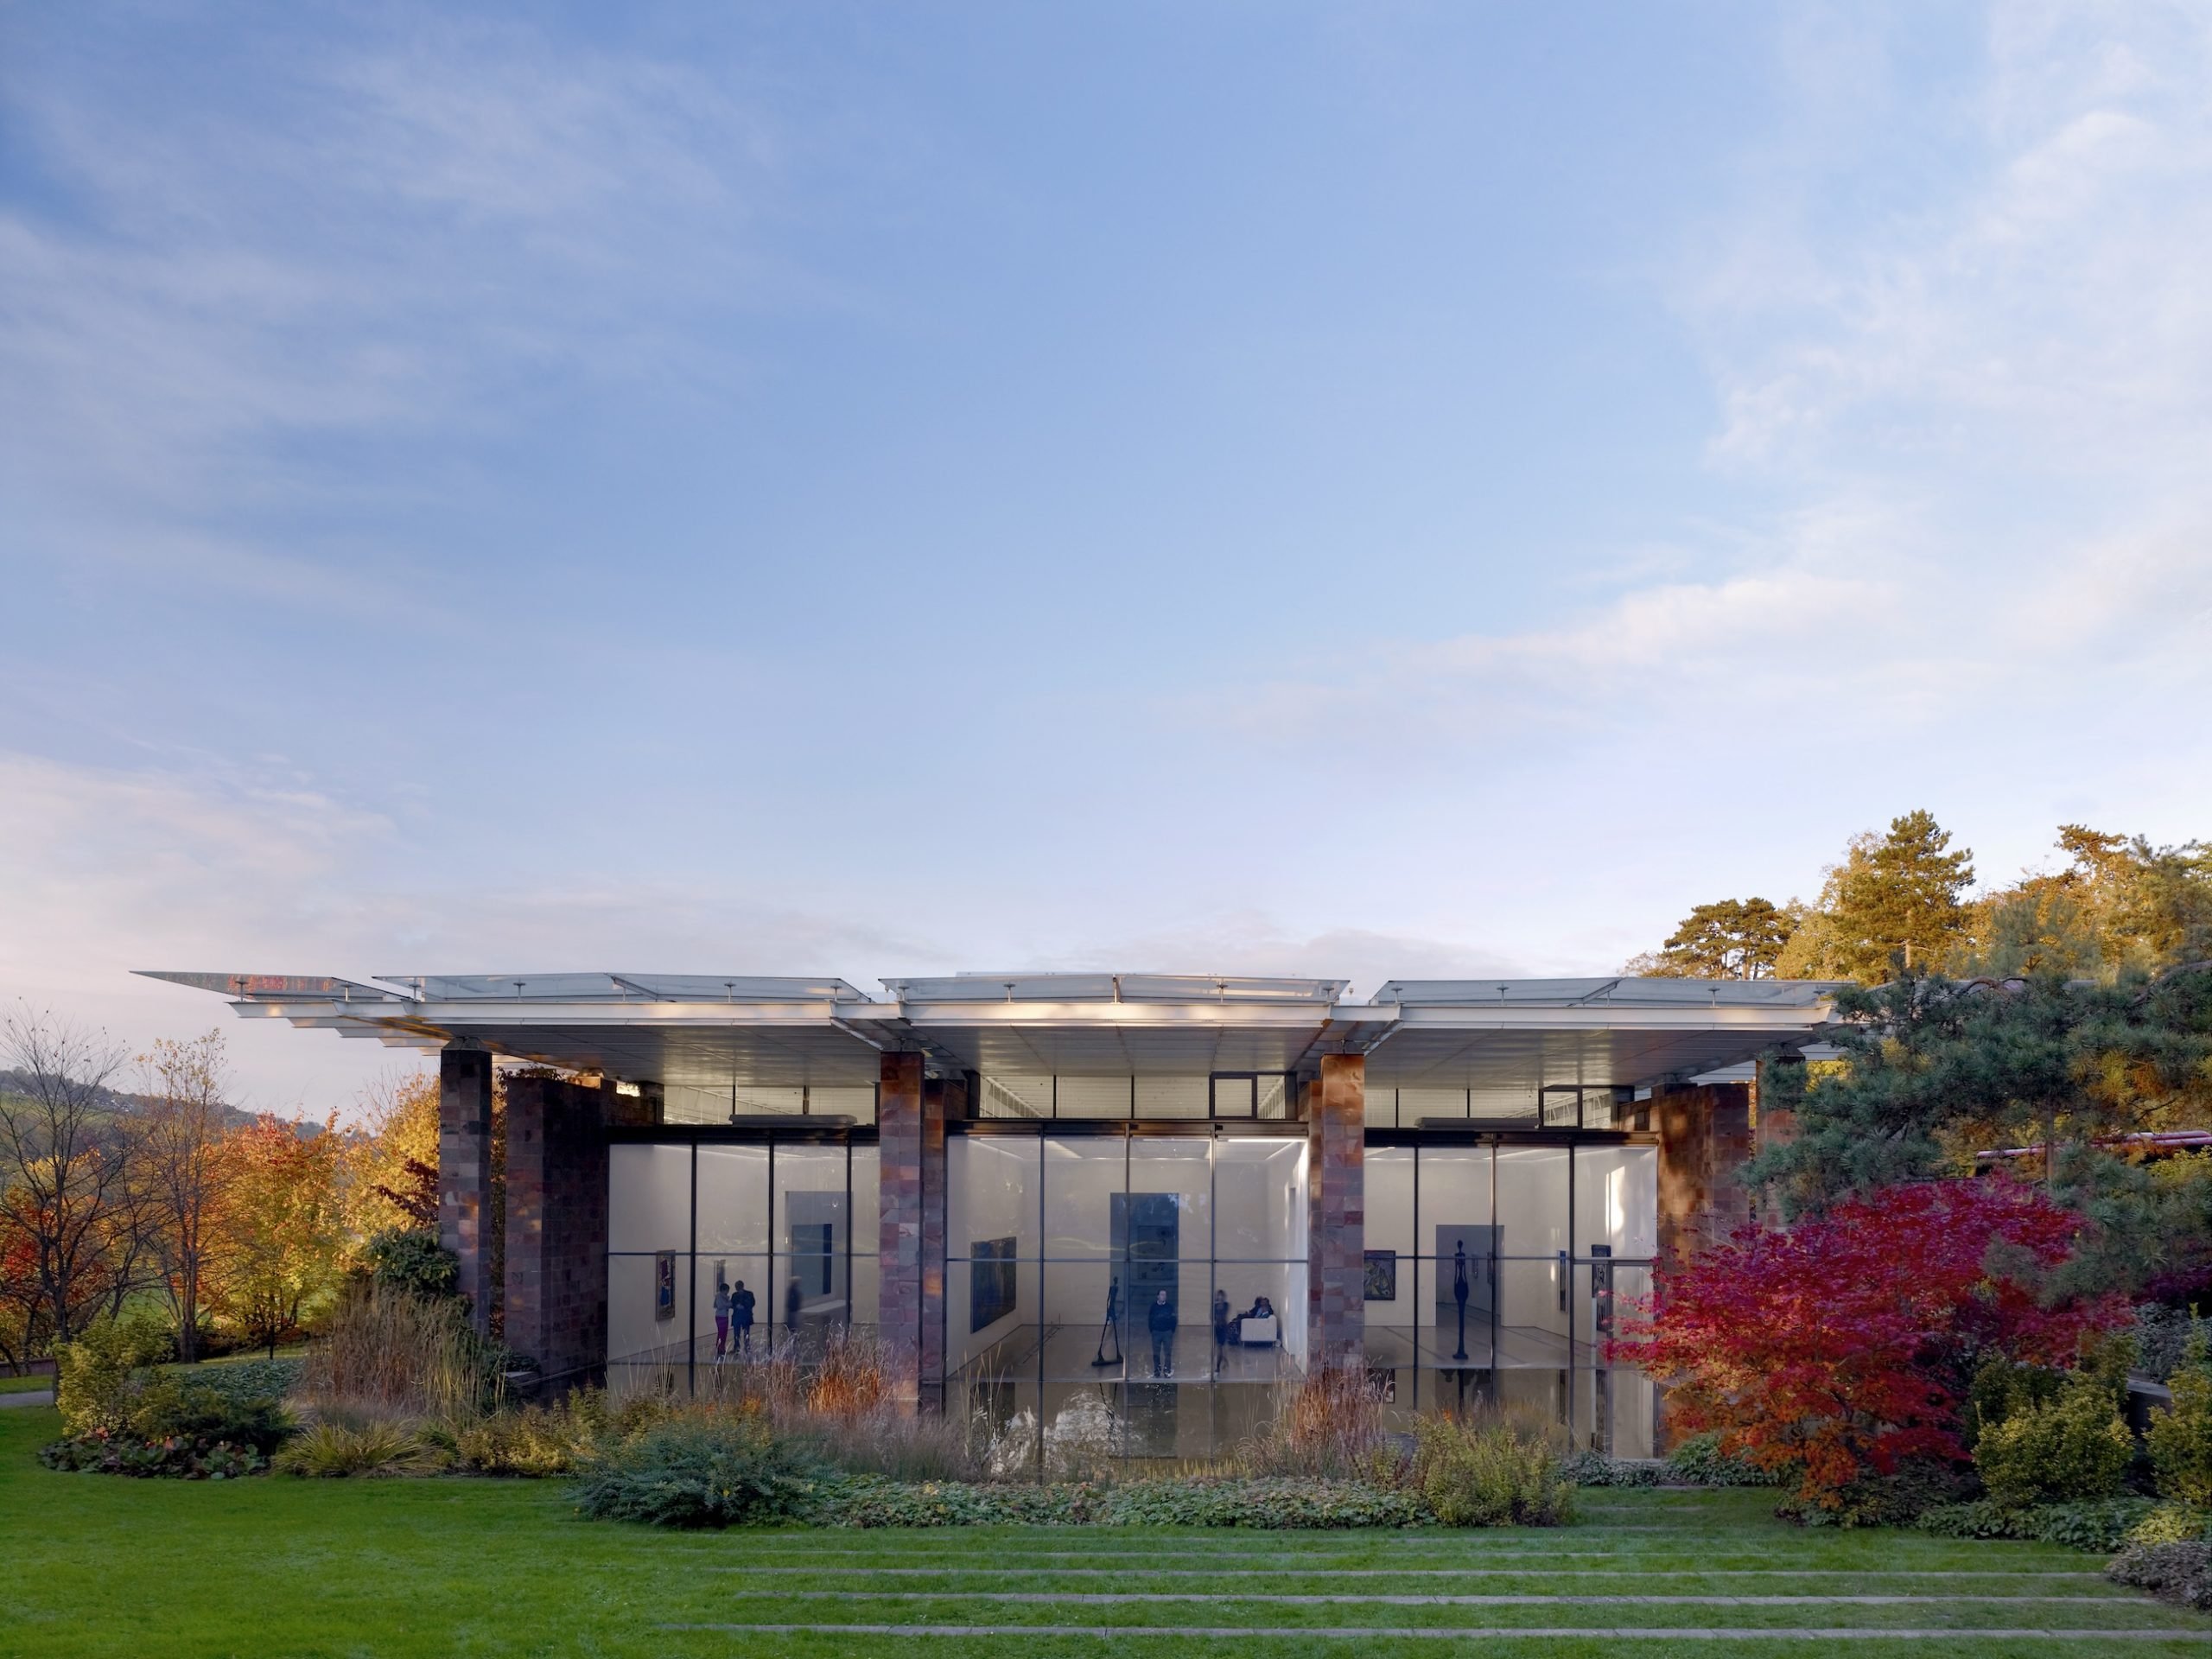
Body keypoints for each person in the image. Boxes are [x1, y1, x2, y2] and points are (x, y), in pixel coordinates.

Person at [1147, 1288, 1177, 1378]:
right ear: (1158, 1296)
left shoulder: (1169, 1307)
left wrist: (1171, 1331)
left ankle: (1167, 1371)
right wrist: (1152, 1330)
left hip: (1167, 1332)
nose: (1164, 1296)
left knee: (1167, 1353)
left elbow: (1173, 1319)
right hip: (1156, 1332)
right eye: (1162, 1295)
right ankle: (1157, 1371)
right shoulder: (1153, 1307)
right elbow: (1150, 1319)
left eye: (1165, 1295)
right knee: (1156, 1353)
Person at [732, 1279, 755, 1355]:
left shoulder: (747, 1294)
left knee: (744, 1332)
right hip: (740, 1316)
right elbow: (732, 1304)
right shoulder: (737, 1295)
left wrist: (743, 1307)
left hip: (744, 1316)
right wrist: (737, 1306)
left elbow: (752, 1303)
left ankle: (744, 1347)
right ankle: (740, 1347)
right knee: (738, 1333)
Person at [1211, 1288, 1231, 1375]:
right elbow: (1212, 1316)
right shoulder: (1214, 1306)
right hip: (1217, 1328)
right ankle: (1224, 1360)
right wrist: (1214, 1321)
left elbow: (1224, 1314)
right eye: (1219, 1295)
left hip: (1223, 1327)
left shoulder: (1226, 1305)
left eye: (1221, 1296)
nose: (1220, 1297)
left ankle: (1218, 1366)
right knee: (1219, 1347)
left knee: (1221, 1347)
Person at [783, 1275, 804, 1352]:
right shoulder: (793, 1290)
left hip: (793, 1309)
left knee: (793, 1324)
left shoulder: (792, 1290)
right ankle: (793, 1336)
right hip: (793, 1309)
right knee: (793, 1324)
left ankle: (793, 1336)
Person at [712, 1278, 732, 1360]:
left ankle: (722, 1347)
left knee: (724, 1333)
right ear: (724, 1290)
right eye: (727, 1290)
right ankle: (720, 1347)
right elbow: (720, 1306)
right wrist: (729, 1303)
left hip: (724, 1316)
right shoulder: (720, 1297)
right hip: (721, 1316)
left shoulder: (724, 1297)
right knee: (721, 1332)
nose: (727, 1292)